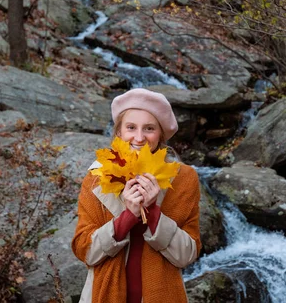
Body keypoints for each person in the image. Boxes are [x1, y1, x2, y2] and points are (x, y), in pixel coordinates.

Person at [72, 88, 201, 303]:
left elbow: (187, 255)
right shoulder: (96, 176)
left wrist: (152, 212)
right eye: (131, 127)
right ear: (119, 132)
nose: (139, 138)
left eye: (149, 128)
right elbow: (85, 251)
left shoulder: (183, 178)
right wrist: (127, 216)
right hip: (103, 295)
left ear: (160, 134)